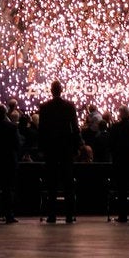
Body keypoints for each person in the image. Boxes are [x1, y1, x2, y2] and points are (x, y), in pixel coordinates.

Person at [36, 80, 80, 223]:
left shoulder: (45, 107)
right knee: (68, 184)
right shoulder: (69, 106)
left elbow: (41, 130)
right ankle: (68, 216)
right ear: (61, 90)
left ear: (51, 90)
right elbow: (75, 128)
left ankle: (52, 215)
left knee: (52, 184)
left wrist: (41, 149)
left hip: (51, 150)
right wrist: (76, 148)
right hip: (66, 149)